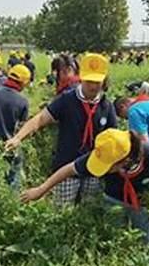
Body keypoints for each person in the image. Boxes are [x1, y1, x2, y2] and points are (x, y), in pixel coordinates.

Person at [20, 129, 149, 245]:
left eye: (108, 166)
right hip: (113, 199)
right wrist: (40, 190)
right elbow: (68, 169)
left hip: (145, 204)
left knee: (145, 243)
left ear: (125, 161)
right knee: (112, 239)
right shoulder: (105, 151)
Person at [6, 53, 117, 206]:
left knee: (88, 212)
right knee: (61, 211)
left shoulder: (107, 106)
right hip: (65, 169)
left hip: (94, 170)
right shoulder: (67, 99)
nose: (93, 86)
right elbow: (40, 119)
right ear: (81, 77)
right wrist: (18, 137)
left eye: (97, 82)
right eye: (89, 81)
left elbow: (113, 138)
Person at [0, 64, 31, 189]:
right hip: (10, 144)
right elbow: (21, 126)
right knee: (13, 176)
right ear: (22, 83)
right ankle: (12, 200)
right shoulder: (23, 101)